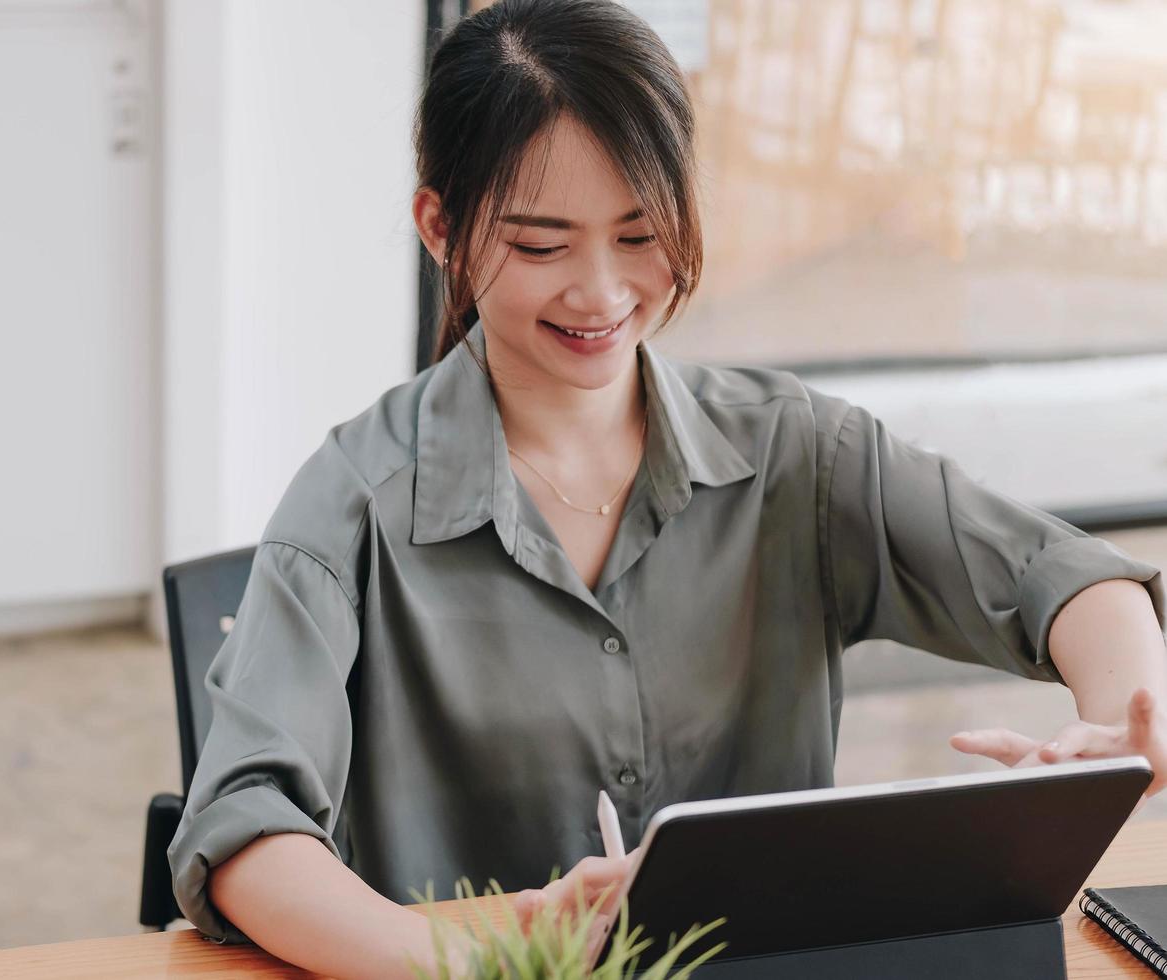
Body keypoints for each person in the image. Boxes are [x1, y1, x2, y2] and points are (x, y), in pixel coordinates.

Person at [166, 1, 1167, 976]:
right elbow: (245, 826)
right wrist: (466, 955)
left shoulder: (794, 453)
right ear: (440, 226)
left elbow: (1062, 576)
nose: (599, 292)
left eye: (639, 235)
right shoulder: (351, 503)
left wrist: (1131, 711)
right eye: (541, 243)